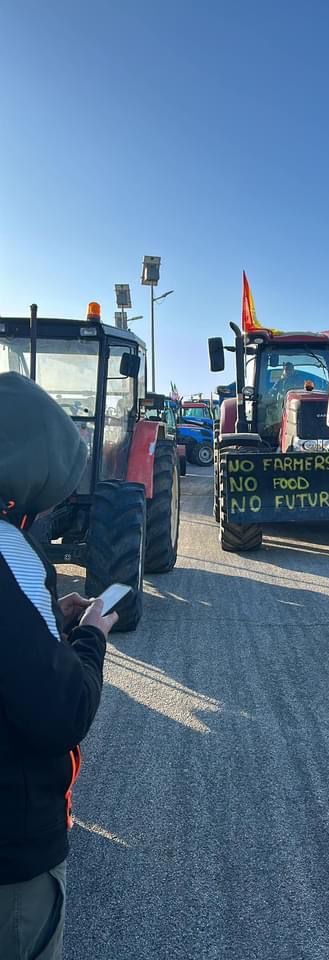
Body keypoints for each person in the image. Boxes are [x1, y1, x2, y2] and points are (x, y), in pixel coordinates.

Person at [0, 371, 118, 960]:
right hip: (13, 853)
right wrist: (90, 636)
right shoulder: (11, 554)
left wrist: (47, 616)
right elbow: (62, 709)